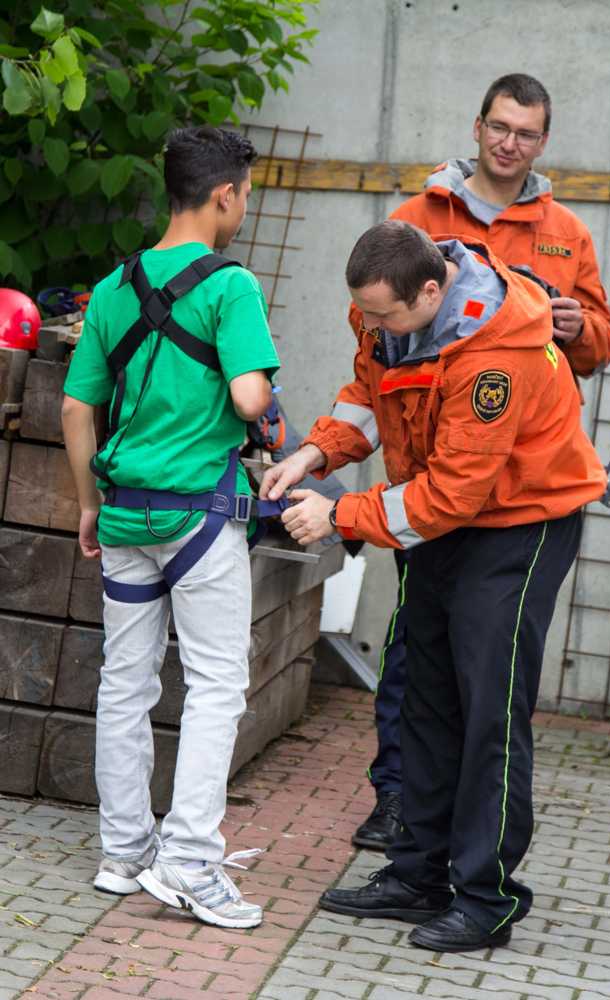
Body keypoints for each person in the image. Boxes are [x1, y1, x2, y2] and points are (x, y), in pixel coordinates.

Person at [259, 220, 607, 951]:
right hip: (441, 517)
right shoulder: (386, 306)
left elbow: (454, 493)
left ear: (429, 291)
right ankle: (417, 873)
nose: (372, 326)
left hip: (519, 525)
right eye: (365, 314)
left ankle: (485, 898)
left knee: (488, 710)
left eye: (384, 316)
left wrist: (339, 515)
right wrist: (316, 453)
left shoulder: (495, 356)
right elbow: (371, 392)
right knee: (424, 696)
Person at [351, 72, 610, 852]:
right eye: (498, 127)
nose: (508, 143)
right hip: (433, 481)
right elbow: (372, 349)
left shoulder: (564, 231)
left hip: (514, 491)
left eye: (525, 133)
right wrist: (335, 449)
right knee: (418, 661)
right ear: (476, 128)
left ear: (542, 142)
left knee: (485, 683)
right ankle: (399, 804)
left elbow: (599, 344)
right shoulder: (417, 218)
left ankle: (476, 861)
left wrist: (574, 328)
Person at [62, 126, 280, 930]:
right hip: (199, 518)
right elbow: (250, 399)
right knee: (217, 683)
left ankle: (124, 853)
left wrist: (88, 503)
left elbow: (75, 407)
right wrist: (258, 395)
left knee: (126, 681)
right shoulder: (232, 286)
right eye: (245, 195)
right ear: (224, 195)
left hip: (123, 512)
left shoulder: (113, 287)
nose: (245, 208)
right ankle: (188, 859)